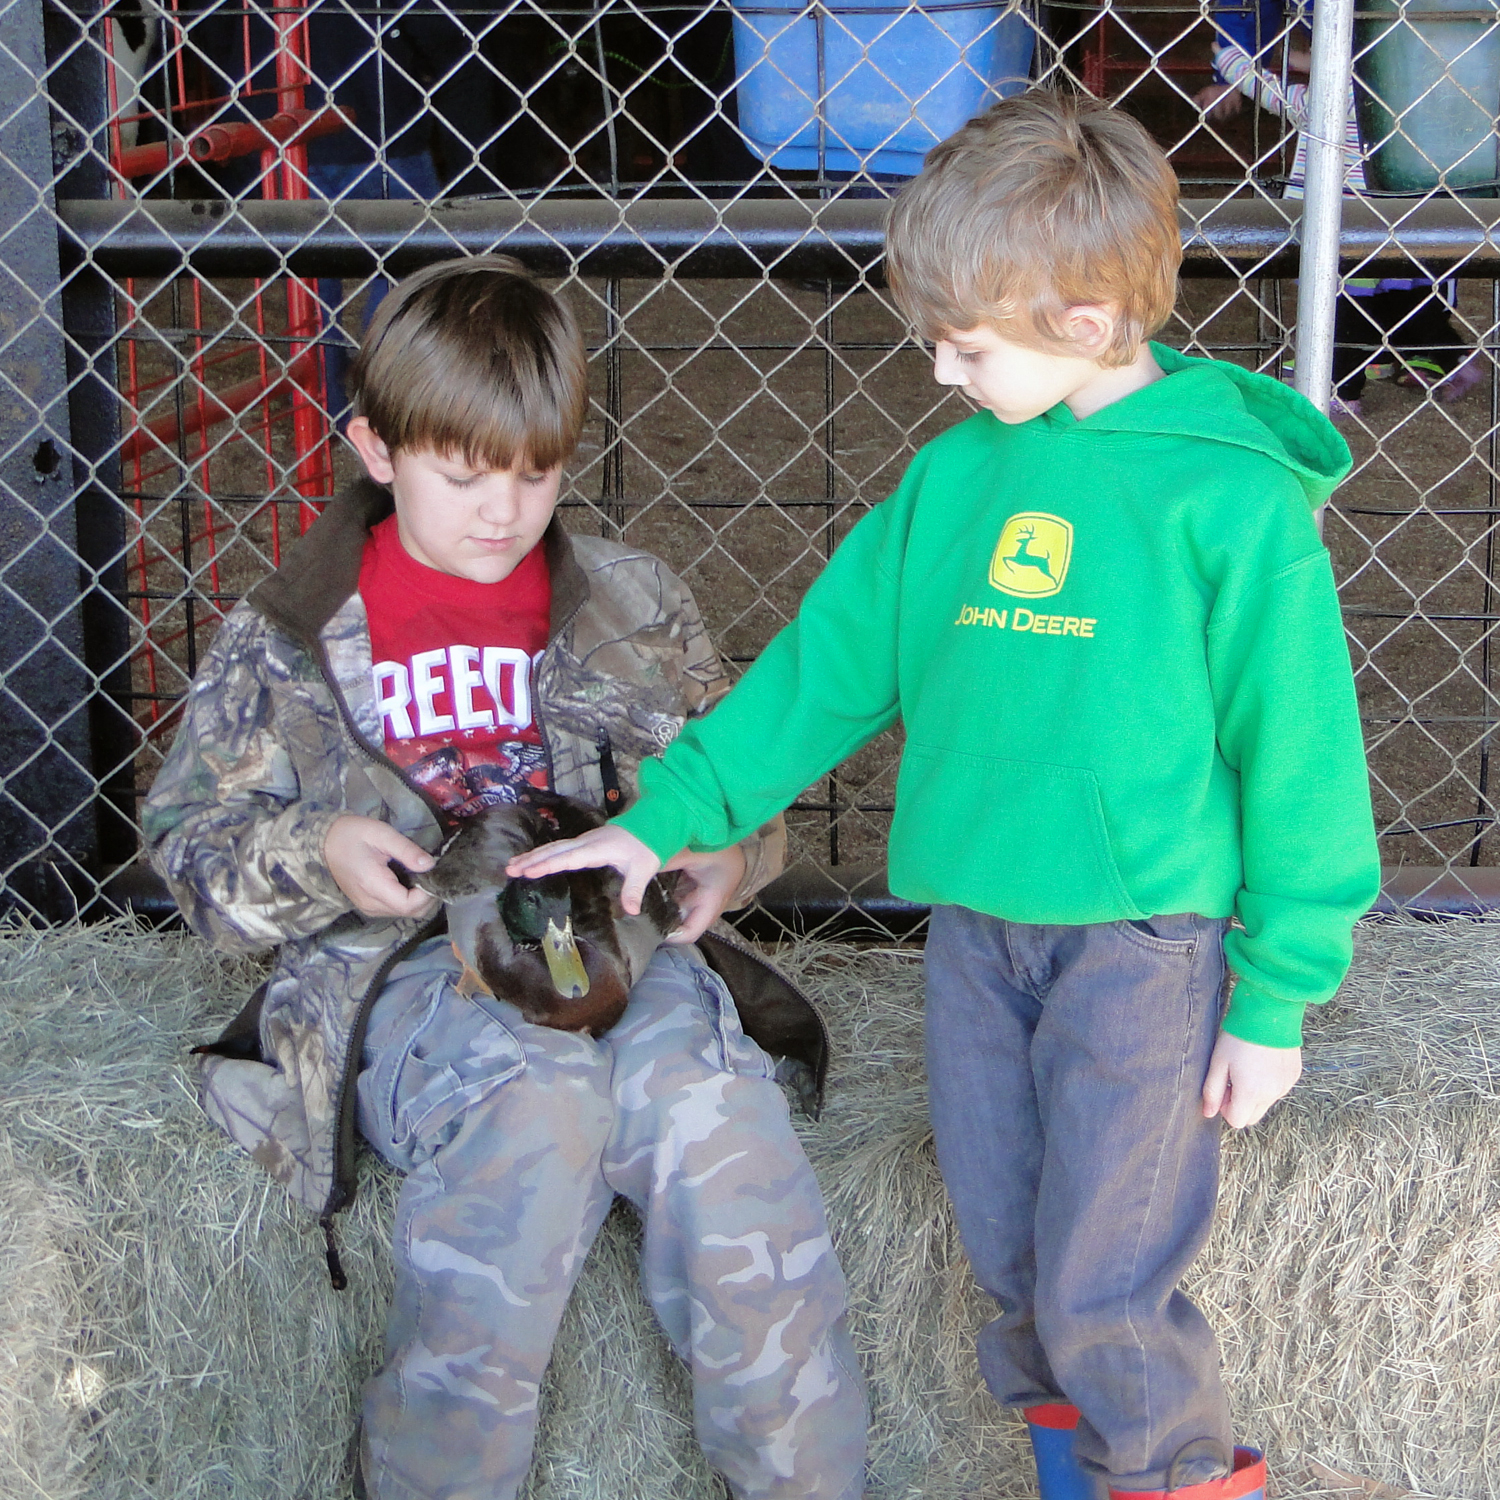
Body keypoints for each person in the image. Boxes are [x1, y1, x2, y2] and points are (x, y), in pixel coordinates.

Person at [509, 90, 1382, 1500]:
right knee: (1015, 1267)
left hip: (1143, 946)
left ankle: (1170, 1474)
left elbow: (1303, 764)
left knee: (1108, 1287)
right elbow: (822, 678)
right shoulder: (951, 483)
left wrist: (1275, 996)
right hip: (976, 934)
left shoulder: (1231, 505)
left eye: (966, 345)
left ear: (1089, 324)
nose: (936, 371)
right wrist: (657, 816)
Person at [142, 255, 866, 1500]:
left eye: (536, 474)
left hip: (616, 945)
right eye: (464, 476)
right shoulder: (291, 636)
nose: (503, 511)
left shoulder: (631, 601)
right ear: (376, 448)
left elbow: (747, 798)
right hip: (415, 970)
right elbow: (193, 854)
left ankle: (812, 1484)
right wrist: (319, 855)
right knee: (539, 1109)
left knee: (717, 1120)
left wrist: (724, 861)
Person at [1194, 0, 1480, 416]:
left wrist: (1233, 61)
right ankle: (1454, 360)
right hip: (1399, 212)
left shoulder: (1333, 96)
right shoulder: (1412, 83)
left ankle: (1339, 387)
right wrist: (1286, 57)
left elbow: (1283, 99)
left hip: (1343, 220)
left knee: (1339, 304)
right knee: (1400, 300)